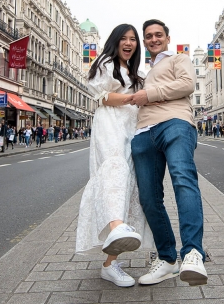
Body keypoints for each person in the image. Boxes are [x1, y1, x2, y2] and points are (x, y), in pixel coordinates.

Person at [125, 19, 208, 286]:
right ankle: (167, 258)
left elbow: (187, 85)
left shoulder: (178, 58)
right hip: (142, 133)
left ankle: (193, 252)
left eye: (158, 34)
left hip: (175, 123)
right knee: (148, 198)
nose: (153, 39)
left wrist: (149, 94)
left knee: (183, 179)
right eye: (148, 36)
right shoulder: (143, 70)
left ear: (167, 38)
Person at [76, 23, 154, 288]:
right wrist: (134, 98)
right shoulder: (106, 63)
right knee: (114, 170)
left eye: (133, 39)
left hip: (131, 127)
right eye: (124, 38)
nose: (129, 43)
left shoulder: (137, 72)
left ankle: (109, 264)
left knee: (128, 187)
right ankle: (116, 227)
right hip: (110, 124)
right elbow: (102, 97)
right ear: (115, 41)